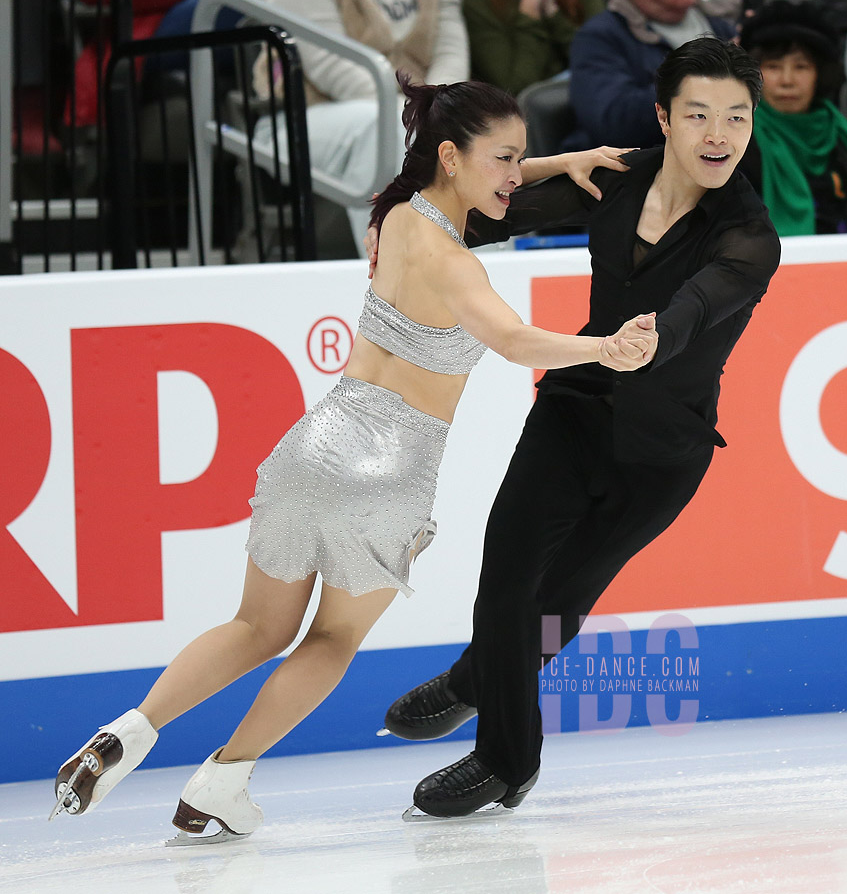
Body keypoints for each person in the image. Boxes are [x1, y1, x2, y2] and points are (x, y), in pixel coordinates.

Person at [48, 75, 655, 842]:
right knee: (330, 642)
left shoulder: (399, 217)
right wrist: (605, 348)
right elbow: (513, 342)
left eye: (519, 160)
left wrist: (552, 162)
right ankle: (222, 780)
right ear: (452, 154)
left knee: (253, 627)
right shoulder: (458, 266)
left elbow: (470, 185)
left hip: (315, 445)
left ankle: (127, 733)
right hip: (388, 477)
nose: (514, 175)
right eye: (505, 159)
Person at [374, 37, 781, 819]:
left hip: (661, 454)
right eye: (698, 114)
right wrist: (547, 169)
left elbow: (697, 307)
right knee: (505, 582)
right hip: (574, 410)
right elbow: (480, 215)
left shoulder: (749, 235)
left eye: (737, 116)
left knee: (555, 601)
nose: (719, 134)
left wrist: (653, 334)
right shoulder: (613, 178)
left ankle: (471, 681)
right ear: (664, 118)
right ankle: (506, 762)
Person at [252, 0, 470, 256]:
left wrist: (438, 109)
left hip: (417, 113)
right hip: (303, 116)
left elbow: (451, 54)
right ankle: (389, 272)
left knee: (471, 129)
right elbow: (332, 66)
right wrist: (419, 114)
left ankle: (475, 270)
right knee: (386, 128)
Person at [739, 0, 847, 235]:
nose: (787, 81)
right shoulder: (738, 141)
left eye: (801, 67)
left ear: (820, 73)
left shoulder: (841, 135)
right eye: (773, 67)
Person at [562, 0, 736, 150]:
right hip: (634, 169)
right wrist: (700, 82)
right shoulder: (599, 38)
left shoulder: (721, 25)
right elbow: (612, 123)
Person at [460, 0, 605, 96]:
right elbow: (515, 88)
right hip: (531, 115)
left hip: (591, 92)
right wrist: (530, 14)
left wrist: (554, 16)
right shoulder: (475, 1)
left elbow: (602, 58)